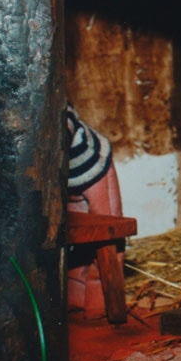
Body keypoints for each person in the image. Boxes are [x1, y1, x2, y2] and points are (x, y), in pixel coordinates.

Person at [66, 103, 124, 319]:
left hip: (94, 169)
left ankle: (103, 306)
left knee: (108, 234)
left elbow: (61, 134)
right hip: (64, 181)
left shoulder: (59, 108)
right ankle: (73, 302)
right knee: (71, 240)